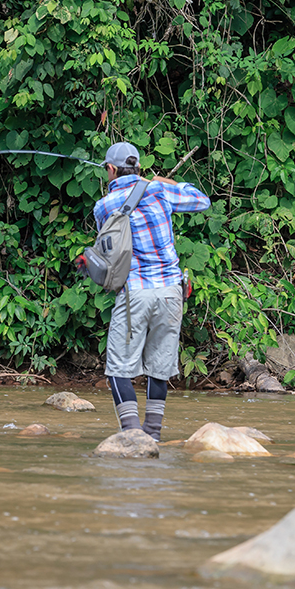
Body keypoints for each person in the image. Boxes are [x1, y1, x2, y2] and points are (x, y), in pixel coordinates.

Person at [94, 142, 210, 441]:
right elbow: (202, 201)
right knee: (159, 368)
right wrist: (162, 181)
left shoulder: (105, 206)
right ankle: (154, 435)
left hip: (135, 292)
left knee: (119, 368)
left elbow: (107, 247)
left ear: (110, 169)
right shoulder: (159, 191)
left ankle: (132, 435)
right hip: (171, 290)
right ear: (140, 168)